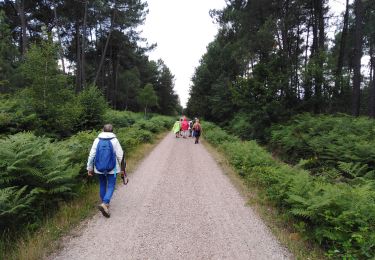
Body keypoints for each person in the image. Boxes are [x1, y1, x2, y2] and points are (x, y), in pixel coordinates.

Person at [87, 124, 127, 218]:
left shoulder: (97, 140)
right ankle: (105, 204)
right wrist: (123, 170)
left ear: (102, 130)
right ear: (112, 131)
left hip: (99, 168)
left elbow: (92, 155)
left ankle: (104, 204)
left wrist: (89, 168)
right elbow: (121, 156)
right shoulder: (114, 140)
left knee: (102, 184)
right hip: (112, 168)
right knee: (111, 185)